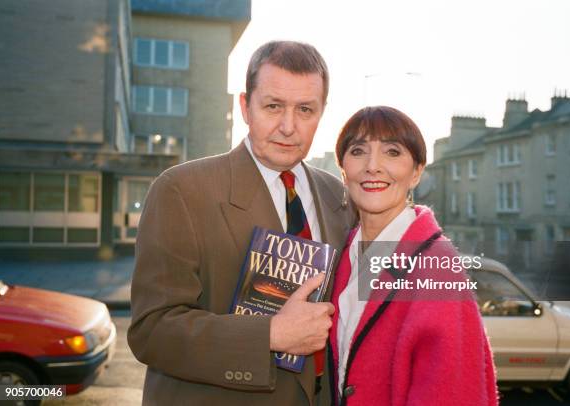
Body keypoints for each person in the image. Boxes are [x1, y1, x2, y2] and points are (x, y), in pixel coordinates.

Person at [127, 41, 356, 406]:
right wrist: (270, 334)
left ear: (322, 112)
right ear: (244, 107)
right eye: (273, 106)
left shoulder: (339, 196)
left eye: (305, 110)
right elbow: (151, 332)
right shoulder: (180, 190)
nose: (288, 127)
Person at [327, 106, 498, 405]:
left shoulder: (438, 268)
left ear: (417, 172)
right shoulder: (342, 253)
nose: (373, 166)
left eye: (392, 152)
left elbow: (451, 394)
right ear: (343, 168)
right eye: (358, 151)